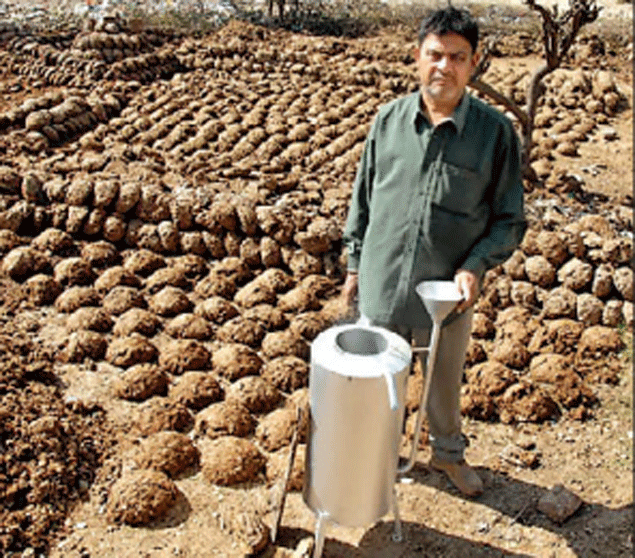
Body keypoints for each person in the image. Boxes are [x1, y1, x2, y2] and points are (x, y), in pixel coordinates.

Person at [342, 7, 526, 497]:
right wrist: (355, 262)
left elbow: (510, 218)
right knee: (380, 379)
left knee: (443, 381)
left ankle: (448, 456)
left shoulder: (495, 134)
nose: (443, 66)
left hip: (445, 292)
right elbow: (363, 194)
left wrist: (475, 266)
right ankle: (379, 453)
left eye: (457, 57)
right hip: (382, 281)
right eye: (435, 55)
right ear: (417, 57)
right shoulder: (389, 120)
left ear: (474, 63)